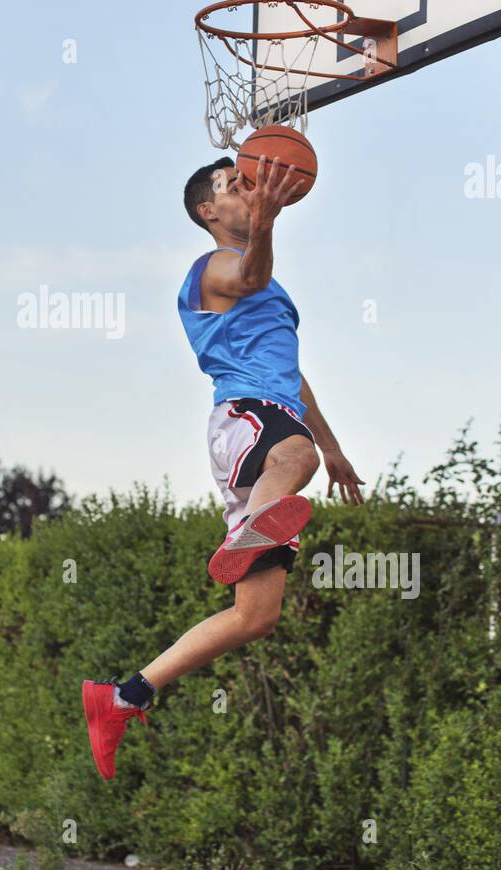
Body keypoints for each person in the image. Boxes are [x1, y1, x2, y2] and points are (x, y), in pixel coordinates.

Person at [82, 153, 365, 779]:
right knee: (298, 455)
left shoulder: (267, 287)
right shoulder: (211, 266)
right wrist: (265, 226)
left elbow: (293, 377)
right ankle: (250, 528)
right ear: (208, 211)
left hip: (267, 426)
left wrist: (335, 445)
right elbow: (251, 279)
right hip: (247, 419)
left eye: (248, 184)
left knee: (255, 616)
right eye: (234, 185)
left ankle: (123, 695)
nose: (247, 189)